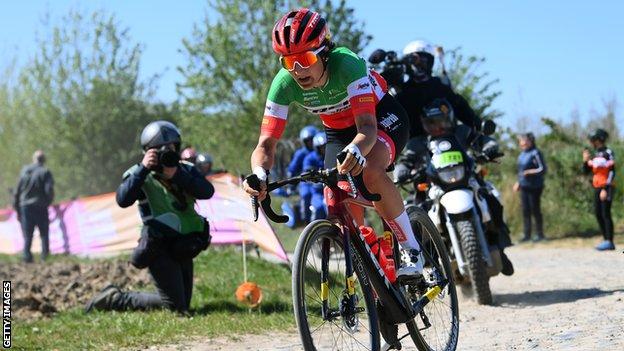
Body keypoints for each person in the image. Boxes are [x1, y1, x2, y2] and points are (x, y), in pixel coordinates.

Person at [242, 8, 424, 280]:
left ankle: (411, 248)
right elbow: (266, 144)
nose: (297, 70)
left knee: (371, 172)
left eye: (304, 58)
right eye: (288, 62)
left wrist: (356, 151)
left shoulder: (347, 64)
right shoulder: (283, 84)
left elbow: (367, 129)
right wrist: (259, 175)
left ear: (324, 52)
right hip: (337, 132)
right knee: (336, 198)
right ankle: (373, 270)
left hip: (380, 118)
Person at [85, 121, 214, 313]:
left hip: (184, 244)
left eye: (171, 148)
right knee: (177, 309)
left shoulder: (185, 169)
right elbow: (122, 199)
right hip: (159, 246)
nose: (167, 153)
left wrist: (177, 176)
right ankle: (116, 299)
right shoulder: (139, 173)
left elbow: (207, 191)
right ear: (148, 151)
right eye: (160, 150)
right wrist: (144, 168)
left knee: (182, 305)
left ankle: (126, 298)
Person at [13, 150, 54, 263]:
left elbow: (18, 190)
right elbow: (49, 189)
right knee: (44, 232)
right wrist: (48, 202)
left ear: (33, 159)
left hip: (25, 206)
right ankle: (45, 257)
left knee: (28, 233)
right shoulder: (45, 172)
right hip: (40, 205)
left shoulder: (25, 171)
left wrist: (16, 206)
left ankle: (27, 256)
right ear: (44, 160)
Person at [583, 129, 616, 251]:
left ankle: (610, 241)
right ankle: (605, 239)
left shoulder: (608, 152)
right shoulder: (595, 154)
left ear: (599, 139)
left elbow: (612, 171)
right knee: (598, 214)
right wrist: (585, 161)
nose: (591, 142)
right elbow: (586, 172)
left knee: (605, 214)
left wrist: (605, 188)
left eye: (593, 139)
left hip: (606, 187)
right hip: (597, 187)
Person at [513, 133, 547, 242]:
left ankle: (540, 234)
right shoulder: (521, 155)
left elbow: (542, 169)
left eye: (524, 140)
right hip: (524, 186)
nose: (522, 142)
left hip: (535, 186)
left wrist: (530, 172)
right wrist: (518, 182)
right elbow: (520, 172)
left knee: (535, 210)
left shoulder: (535, 153)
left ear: (530, 141)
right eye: (521, 141)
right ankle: (527, 235)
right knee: (525, 211)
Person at [288, 125, 318, 222]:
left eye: (312, 140)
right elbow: (292, 169)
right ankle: (306, 220)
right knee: (306, 194)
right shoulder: (300, 154)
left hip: (321, 179)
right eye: (307, 141)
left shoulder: (321, 150)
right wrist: (290, 185)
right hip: (305, 181)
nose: (310, 143)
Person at [303, 132, 328, 221]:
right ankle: (312, 226)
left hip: (333, 188)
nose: (324, 149)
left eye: (326, 146)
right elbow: (307, 172)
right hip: (318, 191)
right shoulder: (310, 158)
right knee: (319, 207)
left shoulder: (334, 156)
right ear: (317, 148)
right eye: (322, 147)